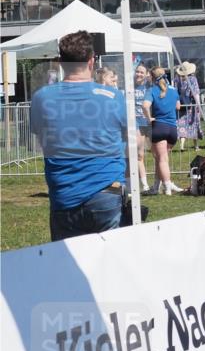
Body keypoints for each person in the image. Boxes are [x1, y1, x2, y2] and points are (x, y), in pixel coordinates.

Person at [30, 30, 128, 241]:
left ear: (60, 62)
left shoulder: (41, 97)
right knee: (112, 265)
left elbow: (42, 139)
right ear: (92, 62)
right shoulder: (113, 97)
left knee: (68, 268)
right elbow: (131, 138)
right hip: (107, 191)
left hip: (64, 194)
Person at [144, 67, 184, 194]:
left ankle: (167, 187)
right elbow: (178, 107)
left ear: (152, 77)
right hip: (172, 129)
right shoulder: (173, 90)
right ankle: (156, 187)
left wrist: (149, 117)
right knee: (161, 158)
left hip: (159, 127)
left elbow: (145, 105)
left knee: (162, 159)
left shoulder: (152, 90)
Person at [174, 61, 202, 151]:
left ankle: (182, 145)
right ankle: (196, 146)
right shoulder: (193, 79)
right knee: (194, 124)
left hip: (182, 104)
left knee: (182, 124)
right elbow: (196, 93)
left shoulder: (177, 79)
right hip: (192, 105)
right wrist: (199, 105)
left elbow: (175, 92)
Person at [132, 63, 152, 192]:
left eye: (141, 72)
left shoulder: (150, 86)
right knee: (139, 155)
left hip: (149, 123)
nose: (139, 74)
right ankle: (144, 185)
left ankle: (160, 183)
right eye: (137, 71)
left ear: (146, 74)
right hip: (136, 123)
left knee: (158, 154)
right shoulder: (129, 86)